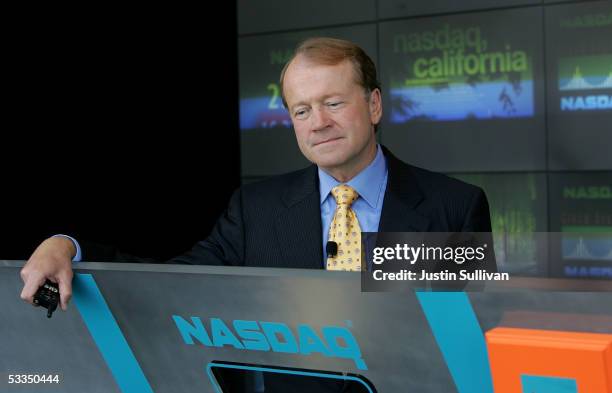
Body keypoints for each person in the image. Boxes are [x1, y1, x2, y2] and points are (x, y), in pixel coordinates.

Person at [21, 36, 495, 309]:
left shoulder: (454, 205)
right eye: (302, 110)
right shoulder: (255, 209)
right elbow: (167, 282)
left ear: (373, 105)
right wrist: (70, 246)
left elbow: (476, 332)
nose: (319, 123)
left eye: (333, 103)